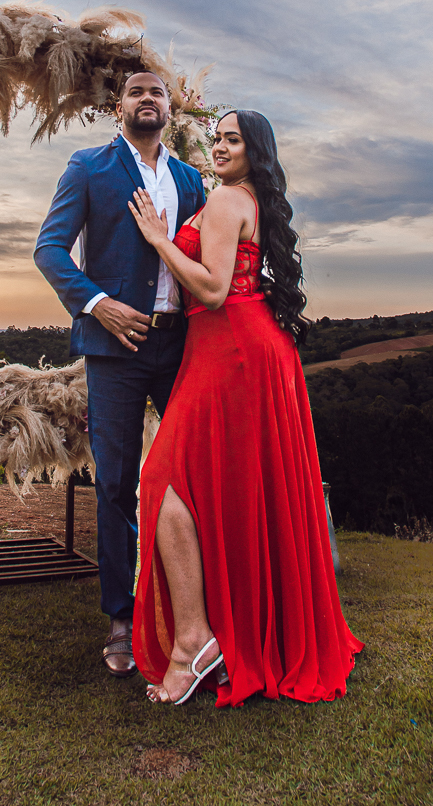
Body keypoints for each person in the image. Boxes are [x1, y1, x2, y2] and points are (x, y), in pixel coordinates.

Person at [128, 109, 363, 706]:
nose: (220, 147)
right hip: (249, 348)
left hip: (230, 346)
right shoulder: (249, 199)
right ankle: (221, 635)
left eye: (233, 138)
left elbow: (209, 286)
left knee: (161, 477)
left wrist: (159, 240)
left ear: (255, 149)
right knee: (235, 488)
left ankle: (194, 644)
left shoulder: (232, 199)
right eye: (217, 138)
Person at [34, 71, 205, 676]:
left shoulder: (190, 179)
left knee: (193, 478)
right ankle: (121, 617)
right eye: (136, 92)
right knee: (114, 483)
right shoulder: (88, 167)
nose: (148, 99)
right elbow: (49, 249)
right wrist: (96, 303)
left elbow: (208, 260)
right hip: (115, 353)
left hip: (182, 346)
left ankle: (195, 614)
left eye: (157, 92)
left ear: (169, 107)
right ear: (119, 107)